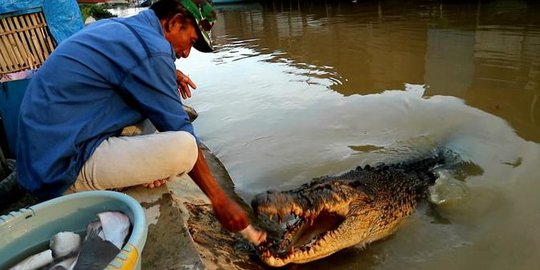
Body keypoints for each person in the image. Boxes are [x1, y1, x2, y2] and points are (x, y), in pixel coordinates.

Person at [16, 0, 266, 245]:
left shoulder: (122, 28)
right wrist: (219, 199)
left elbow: (123, 67)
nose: (186, 53)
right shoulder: (151, 50)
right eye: (191, 41)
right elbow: (179, 128)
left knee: (152, 111)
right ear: (175, 22)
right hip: (59, 171)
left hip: (42, 154)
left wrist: (167, 73)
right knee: (186, 147)